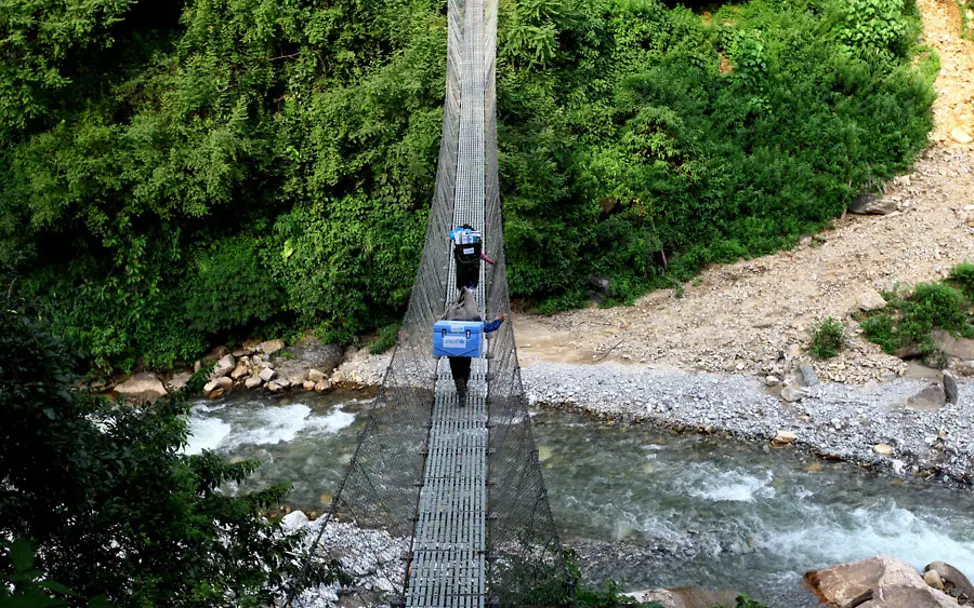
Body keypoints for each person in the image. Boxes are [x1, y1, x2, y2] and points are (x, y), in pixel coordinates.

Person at [440, 286, 506, 403]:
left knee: (456, 371)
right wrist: (499, 320)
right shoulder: (472, 314)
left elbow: (439, 329)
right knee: (465, 368)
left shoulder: (450, 311)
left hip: (452, 349)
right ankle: (463, 388)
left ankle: (461, 394)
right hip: (467, 348)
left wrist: (438, 351)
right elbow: (487, 327)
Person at [450, 224, 496, 292]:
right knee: (470, 286)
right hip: (473, 273)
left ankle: (463, 294)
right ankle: (469, 294)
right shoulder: (475, 249)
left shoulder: (459, 250)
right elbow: (481, 256)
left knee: (462, 284)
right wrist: (491, 262)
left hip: (462, 274)